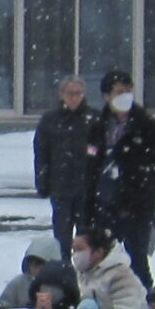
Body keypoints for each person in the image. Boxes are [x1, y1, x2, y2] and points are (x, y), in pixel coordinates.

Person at [86, 71, 155, 286]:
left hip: (138, 206)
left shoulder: (147, 125)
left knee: (137, 260)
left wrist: (144, 186)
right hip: (105, 205)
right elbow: (89, 164)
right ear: (107, 96)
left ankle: (145, 301)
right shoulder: (97, 125)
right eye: (119, 92)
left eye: (128, 91)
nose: (125, 96)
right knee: (103, 258)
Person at [32, 76, 94, 250]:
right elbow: (42, 153)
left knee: (87, 238)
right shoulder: (50, 120)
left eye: (78, 93)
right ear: (61, 95)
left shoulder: (93, 118)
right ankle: (64, 269)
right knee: (61, 238)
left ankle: (85, 273)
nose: (74, 97)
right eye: (70, 93)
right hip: (60, 188)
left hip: (87, 190)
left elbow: (100, 149)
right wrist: (42, 182)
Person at [69, 225, 148, 309]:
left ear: (98, 252)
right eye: (73, 250)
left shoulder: (121, 275)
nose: (74, 255)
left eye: (79, 250)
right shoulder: (80, 273)